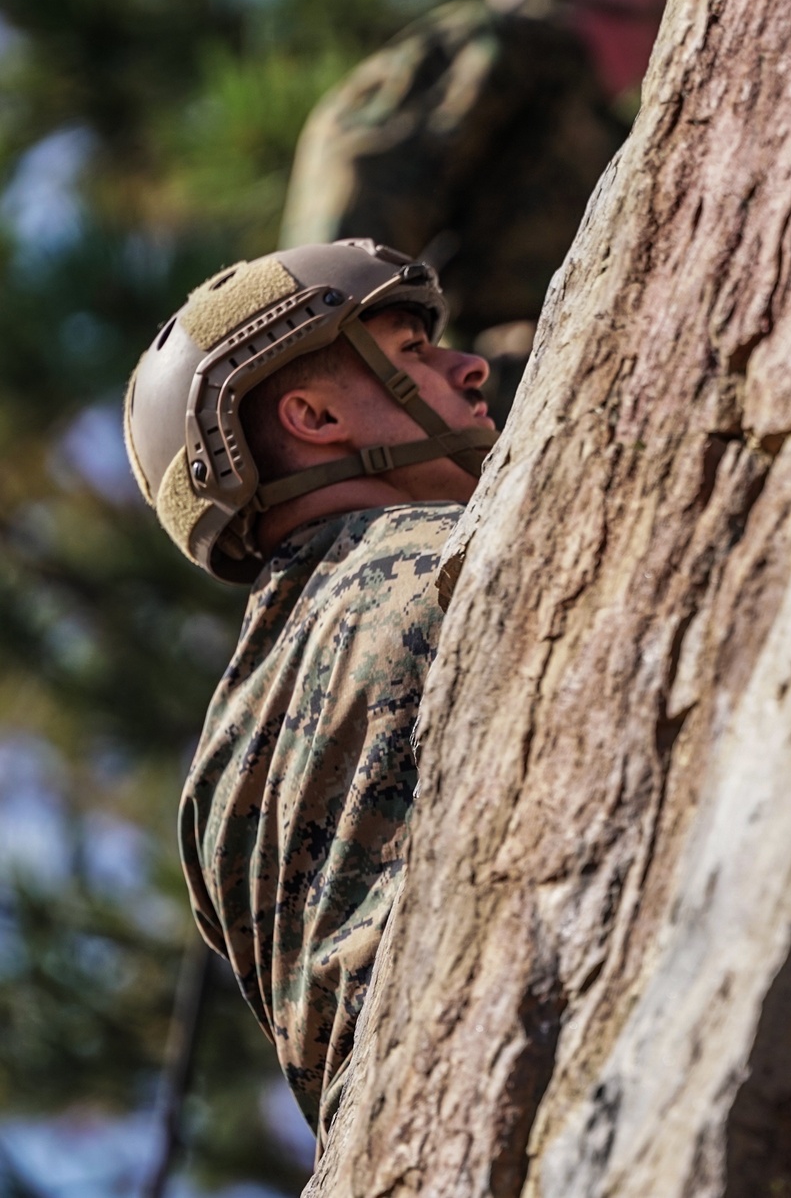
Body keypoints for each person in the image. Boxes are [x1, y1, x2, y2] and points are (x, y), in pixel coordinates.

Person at [123, 239, 498, 1148]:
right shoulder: (457, 559)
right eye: (411, 354)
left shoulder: (210, 787)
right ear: (315, 415)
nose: (471, 367)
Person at [280, 0, 670, 416]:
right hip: (488, 398)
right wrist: (350, 376)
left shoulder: (618, 119)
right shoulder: (508, 45)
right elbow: (365, 173)